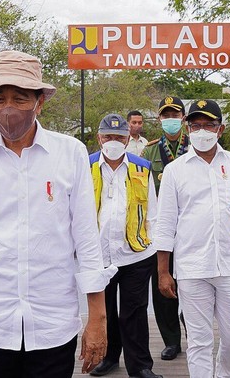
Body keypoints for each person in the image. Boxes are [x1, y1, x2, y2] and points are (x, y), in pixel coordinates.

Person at [0, 50, 116, 378]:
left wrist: (97, 320)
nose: (7, 109)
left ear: (40, 102)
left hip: (53, 324)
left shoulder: (70, 154)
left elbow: (88, 242)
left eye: (19, 99)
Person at [155, 99, 230, 378]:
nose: (202, 131)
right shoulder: (175, 169)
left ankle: (225, 374)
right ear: (188, 128)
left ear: (221, 130)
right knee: (199, 341)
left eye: (209, 125)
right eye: (196, 126)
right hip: (192, 268)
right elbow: (165, 223)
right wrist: (163, 272)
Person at [88, 113, 162, 378]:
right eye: (108, 137)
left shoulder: (141, 167)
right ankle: (108, 357)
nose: (113, 142)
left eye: (119, 137)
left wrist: (152, 245)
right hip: (98, 254)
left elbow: (152, 210)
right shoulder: (86, 166)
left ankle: (140, 365)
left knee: (134, 312)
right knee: (103, 310)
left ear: (128, 138)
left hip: (135, 253)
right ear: (99, 138)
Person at [141, 96, 188, 360]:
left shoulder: (195, 144)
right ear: (160, 119)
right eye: (165, 115)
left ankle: (194, 334)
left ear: (182, 117)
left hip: (190, 227)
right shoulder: (149, 151)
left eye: (175, 114)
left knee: (192, 285)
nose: (170, 119)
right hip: (161, 228)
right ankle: (172, 341)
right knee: (163, 287)